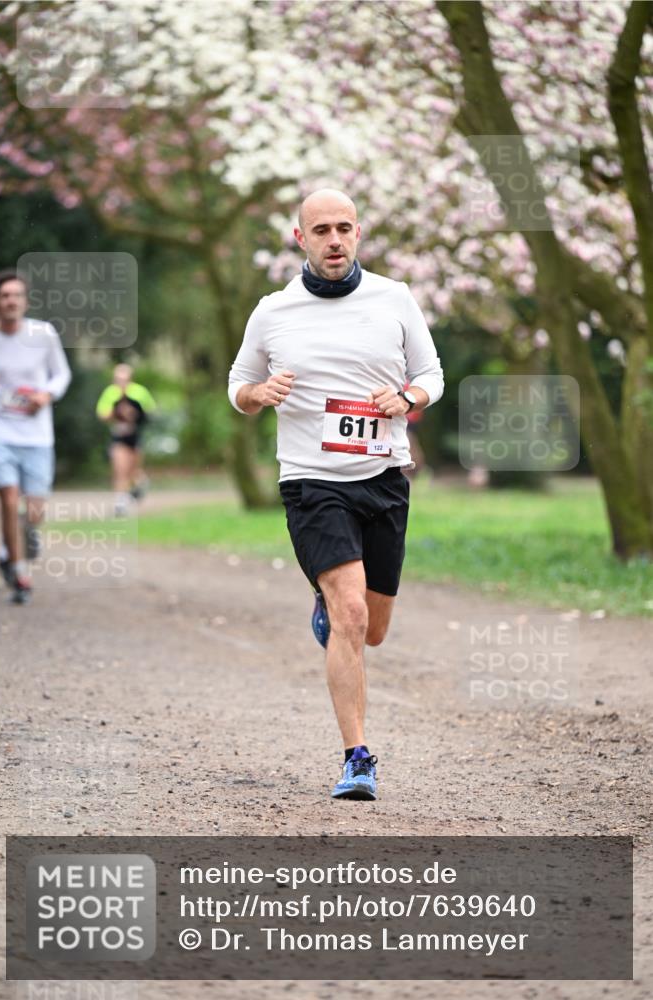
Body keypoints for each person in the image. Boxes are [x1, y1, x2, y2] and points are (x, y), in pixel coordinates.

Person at [228, 188, 444, 800]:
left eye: (344, 227)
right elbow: (238, 384)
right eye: (320, 229)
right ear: (300, 238)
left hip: (382, 477)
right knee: (350, 616)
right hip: (311, 481)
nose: (333, 239)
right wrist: (257, 395)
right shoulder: (274, 310)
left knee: (372, 628)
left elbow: (432, 373)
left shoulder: (394, 298)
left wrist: (408, 399)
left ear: (358, 233)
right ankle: (357, 759)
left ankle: (330, 606)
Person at [0, 270, 71, 603]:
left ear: (26, 301)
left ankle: (11, 548)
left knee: (34, 510)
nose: (11, 301)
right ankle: (20, 572)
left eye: (16, 295)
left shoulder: (43, 334)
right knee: (8, 496)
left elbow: (62, 374)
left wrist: (45, 395)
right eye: (5, 296)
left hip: (36, 434)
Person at [96, 364, 156, 516]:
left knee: (134, 472)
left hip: (136, 437)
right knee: (120, 470)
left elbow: (150, 412)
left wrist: (135, 414)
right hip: (119, 437)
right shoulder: (110, 393)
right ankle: (120, 504)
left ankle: (140, 485)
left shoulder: (139, 392)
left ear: (130, 379)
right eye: (118, 379)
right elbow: (102, 414)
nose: (121, 383)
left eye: (124, 379)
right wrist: (116, 413)